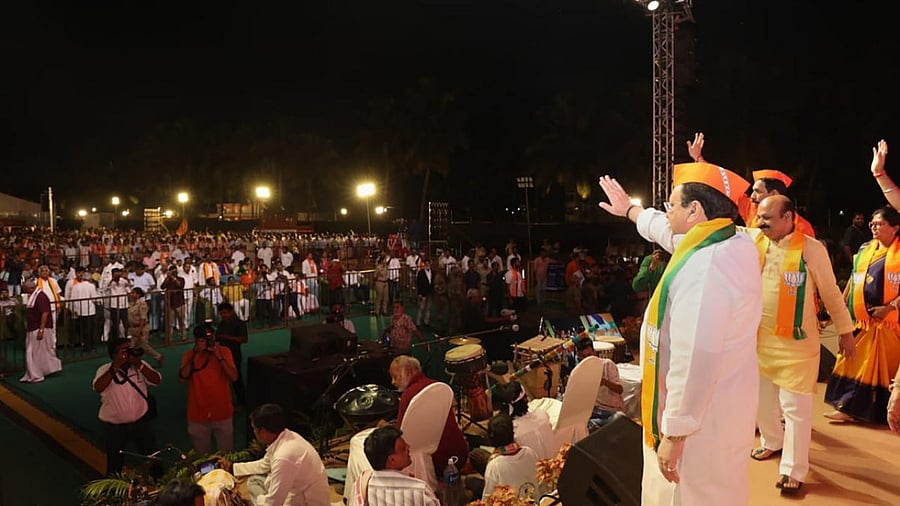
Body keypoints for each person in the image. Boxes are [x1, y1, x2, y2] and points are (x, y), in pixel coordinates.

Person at [598, 163, 762, 506]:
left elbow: (695, 358)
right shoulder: (733, 241)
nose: (666, 212)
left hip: (700, 427)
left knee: (683, 496)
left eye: (672, 205)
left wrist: (675, 432)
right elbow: (665, 231)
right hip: (725, 407)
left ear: (694, 210)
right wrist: (631, 210)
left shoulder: (705, 267)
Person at [750, 195, 856, 495]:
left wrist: (846, 332)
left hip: (797, 346)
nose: (760, 223)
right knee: (763, 401)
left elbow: (831, 293)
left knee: (794, 408)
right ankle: (772, 441)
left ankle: (793, 470)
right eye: (759, 217)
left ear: (789, 218)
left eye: (767, 218)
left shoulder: (811, 249)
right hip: (760, 341)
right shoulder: (754, 241)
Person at [825, 206, 900, 424]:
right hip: (863, 319)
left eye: (880, 224)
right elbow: (854, 278)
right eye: (872, 224)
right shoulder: (866, 248)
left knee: (877, 369)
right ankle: (847, 406)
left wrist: (890, 308)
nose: (874, 227)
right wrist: (839, 305)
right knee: (850, 360)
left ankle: (865, 410)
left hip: (888, 322)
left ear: (895, 228)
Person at [685, 132, 815, 236]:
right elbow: (723, 184)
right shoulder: (751, 209)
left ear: (774, 194)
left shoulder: (802, 227)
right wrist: (698, 158)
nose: (752, 196)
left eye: (758, 191)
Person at [216, 403, 330, 506]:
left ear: (263, 431)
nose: (254, 432)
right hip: (298, 490)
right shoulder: (287, 436)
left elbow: (273, 503)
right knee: (254, 481)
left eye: (254, 429)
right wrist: (232, 467)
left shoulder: (283, 456)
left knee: (259, 491)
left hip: (307, 501)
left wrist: (261, 500)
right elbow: (264, 465)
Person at [92, 337, 162, 475]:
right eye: (125, 351)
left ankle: (159, 485)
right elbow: (98, 387)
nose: (129, 354)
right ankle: (114, 492)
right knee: (114, 463)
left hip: (141, 422)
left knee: (152, 458)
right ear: (114, 354)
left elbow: (157, 380)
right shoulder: (104, 369)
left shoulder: (139, 366)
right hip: (115, 427)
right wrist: (115, 367)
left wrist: (140, 365)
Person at [389, 355, 468, 475]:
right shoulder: (437, 386)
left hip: (433, 462)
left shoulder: (408, 395)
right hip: (459, 453)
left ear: (408, 373)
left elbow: (401, 435)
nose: (393, 382)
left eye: (395, 377)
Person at [178, 325, 238, 454]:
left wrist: (219, 356)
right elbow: (182, 378)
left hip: (222, 413)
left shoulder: (224, 351)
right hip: (198, 415)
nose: (208, 342)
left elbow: (233, 377)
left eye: (211, 338)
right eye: (203, 340)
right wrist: (196, 354)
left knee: (227, 455)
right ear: (196, 341)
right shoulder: (189, 355)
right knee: (203, 458)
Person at [352, 426, 440, 506]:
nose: (408, 447)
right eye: (403, 448)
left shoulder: (360, 488)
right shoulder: (420, 490)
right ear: (392, 459)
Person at [482, 413, 539, 501]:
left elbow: (487, 499)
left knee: (471, 482)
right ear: (513, 433)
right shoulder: (529, 452)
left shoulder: (494, 466)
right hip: (537, 501)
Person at [574, 338, 626, 430]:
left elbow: (619, 389)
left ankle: (595, 426)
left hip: (611, 410)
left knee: (619, 418)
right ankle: (594, 426)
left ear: (594, 352)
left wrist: (603, 382)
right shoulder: (582, 369)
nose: (587, 359)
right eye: (583, 357)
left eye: (589, 355)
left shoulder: (607, 364)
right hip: (595, 409)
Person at [19, 279, 63, 383]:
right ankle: (32, 373)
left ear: (31, 288)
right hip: (32, 328)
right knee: (36, 353)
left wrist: (41, 329)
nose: (26, 293)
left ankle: (36, 375)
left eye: (26, 290)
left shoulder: (41, 296)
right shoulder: (34, 295)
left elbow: (45, 313)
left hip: (39, 328)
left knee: (33, 352)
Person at [215, 302, 248, 407]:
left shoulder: (240, 324)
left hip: (234, 353)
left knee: (237, 379)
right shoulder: (222, 324)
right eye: (221, 313)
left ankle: (242, 401)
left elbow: (244, 339)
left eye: (225, 313)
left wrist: (227, 338)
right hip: (222, 354)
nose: (223, 315)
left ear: (231, 312)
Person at [127, 287, 164, 367]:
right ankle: (131, 363)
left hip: (141, 328)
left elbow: (143, 318)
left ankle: (158, 356)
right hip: (132, 328)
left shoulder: (142, 304)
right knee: (131, 346)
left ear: (138, 295)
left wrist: (139, 330)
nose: (131, 294)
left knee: (144, 346)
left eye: (133, 293)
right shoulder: (130, 303)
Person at [416, 259, 434, 327]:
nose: (427, 265)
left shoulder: (433, 272)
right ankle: (418, 323)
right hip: (423, 293)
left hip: (430, 293)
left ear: (430, 264)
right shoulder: (421, 272)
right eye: (426, 263)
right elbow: (418, 284)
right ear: (424, 264)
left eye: (428, 263)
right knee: (421, 308)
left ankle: (426, 322)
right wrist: (419, 293)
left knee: (428, 308)